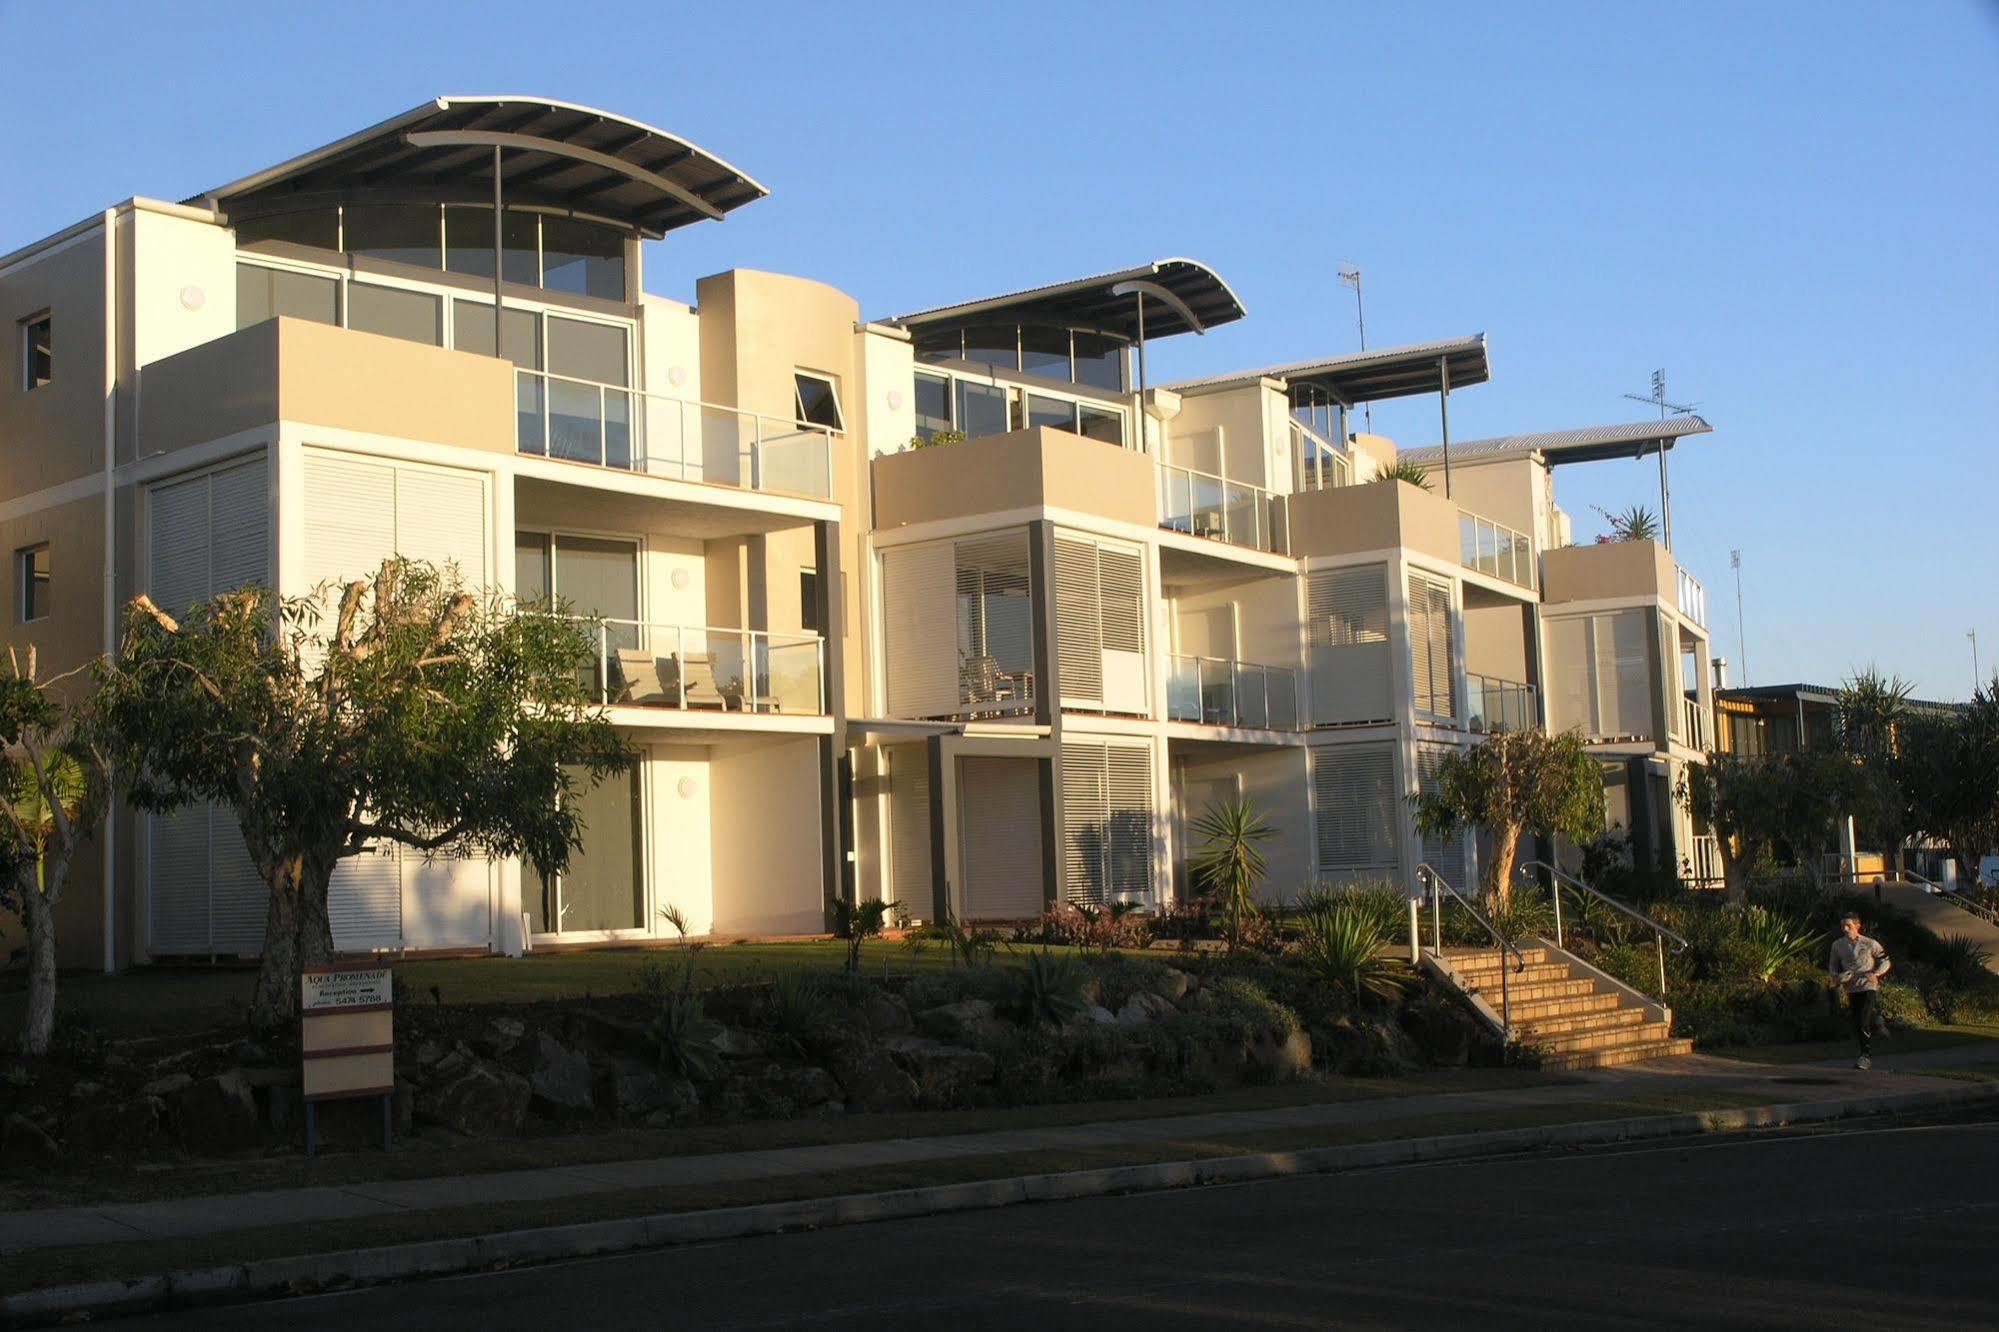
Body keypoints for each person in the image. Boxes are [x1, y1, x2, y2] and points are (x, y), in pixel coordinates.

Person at [1828, 910, 1891, 1070]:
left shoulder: (1870, 943)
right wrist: (1836, 977)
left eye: (1848, 926)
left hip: (1868, 985)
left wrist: (1875, 973)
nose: (1845, 929)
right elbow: (1833, 965)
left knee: (1863, 1019)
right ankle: (1877, 1019)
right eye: (1843, 926)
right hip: (1851, 987)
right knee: (1858, 1021)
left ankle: (1865, 1055)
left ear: (1857, 926)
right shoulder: (1837, 945)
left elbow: (1885, 961)